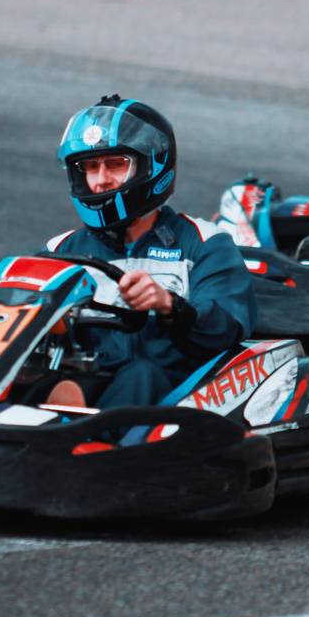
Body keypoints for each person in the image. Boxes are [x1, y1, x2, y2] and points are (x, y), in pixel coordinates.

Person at [40, 95, 257, 411]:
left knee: (140, 375)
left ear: (150, 167)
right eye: (90, 167)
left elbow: (226, 330)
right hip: (88, 379)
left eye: (116, 164)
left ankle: (83, 433)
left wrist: (169, 305)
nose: (101, 181)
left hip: (176, 397)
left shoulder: (204, 243)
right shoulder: (59, 252)